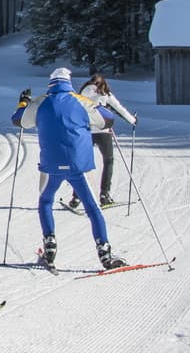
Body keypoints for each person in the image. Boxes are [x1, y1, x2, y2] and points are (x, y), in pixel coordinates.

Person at [12, 67, 126, 270]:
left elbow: (18, 120)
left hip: (50, 165)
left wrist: (24, 102)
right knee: (92, 207)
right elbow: (107, 119)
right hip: (79, 165)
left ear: (51, 83)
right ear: (68, 82)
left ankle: (49, 243)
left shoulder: (40, 102)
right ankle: (104, 251)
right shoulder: (80, 101)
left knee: (46, 200)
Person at [68, 73, 137, 209]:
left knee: (82, 163)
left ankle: (77, 197)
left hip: (86, 132)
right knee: (108, 161)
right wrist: (133, 120)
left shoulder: (83, 92)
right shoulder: (104, 93)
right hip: (103, 131)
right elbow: (119, 108)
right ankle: (104, 195)